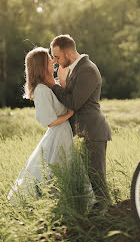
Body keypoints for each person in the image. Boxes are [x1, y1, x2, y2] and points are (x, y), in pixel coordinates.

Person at [46, 34, 112, 204]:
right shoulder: (76, 69)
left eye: (57, 57)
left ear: (68, 54)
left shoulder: (87, 70)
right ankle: (96, 217)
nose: (54, 61)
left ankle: (107, 218)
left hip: (93, 131)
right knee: (88, 181)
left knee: (97, 181)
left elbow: (74, 102)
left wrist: (53, 86)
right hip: (84, 132)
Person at [8, 47, 74, 201]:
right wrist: (70, 113)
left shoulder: (50, 85)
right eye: (49, 59)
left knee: (65, 168)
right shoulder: (41, 90)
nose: (53, 61)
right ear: (41, 65)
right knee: (56, 171)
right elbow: (50, 122)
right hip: (58, 134)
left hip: (64, 133)